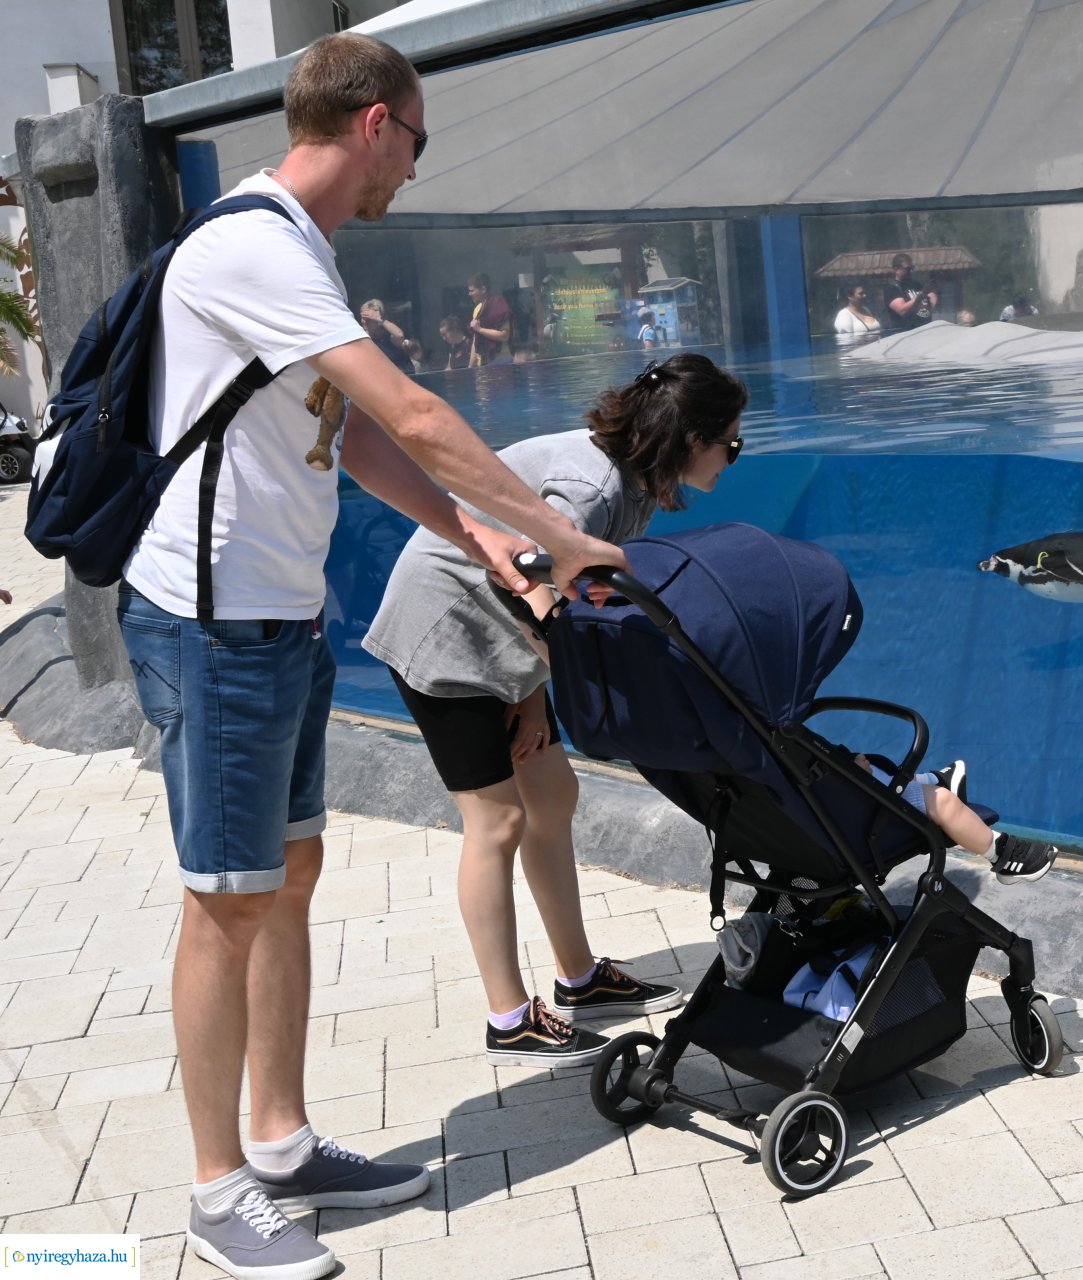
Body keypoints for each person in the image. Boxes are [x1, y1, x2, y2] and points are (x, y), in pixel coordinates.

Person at [113, 33, 631, 1280]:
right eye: (418, 141)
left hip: (278, 618)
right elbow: (412, 413)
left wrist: (488, 536)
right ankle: (214, 1187)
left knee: (287, 876)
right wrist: (563, 534)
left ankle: (281, 1143)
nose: (413, 167)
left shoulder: (300, 253)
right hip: (212, 619)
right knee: (226, 899)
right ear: (378, 124)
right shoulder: (251, 243)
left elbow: (357, 445)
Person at [365, 354, 745, 1068]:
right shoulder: (593, 484)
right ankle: (509, 1018)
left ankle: (578, 980)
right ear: (692, 437)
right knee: (498, 819)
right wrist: (540, 678)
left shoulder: (627, 481)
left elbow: (546, 597)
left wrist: (531, 694)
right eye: (731, 439)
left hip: (495, 648)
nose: (734, 454)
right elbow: (529, 583)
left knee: (553, 793)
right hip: (442, 638)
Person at [852, 756, 1058, 884]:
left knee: (861, 763)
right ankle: (1001, 854)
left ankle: (932, 779)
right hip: (866, 816)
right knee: (942, 802)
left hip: (833, 826)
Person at [358, 298, 418, 372]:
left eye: (369, 319)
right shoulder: (362, 340)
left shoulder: (388, 336)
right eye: (363, 318)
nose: (364, 322)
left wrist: (380, 320)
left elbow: (399, 335)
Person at [466, 272, 512, 364]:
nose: (469, 294)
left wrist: (479, 329)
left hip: (501, 361)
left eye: (472, 291)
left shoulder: (498, 305)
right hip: (484, 362)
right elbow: (476, 340)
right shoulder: (477, 310)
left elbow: (504, 336)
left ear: (483, 289)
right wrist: (470, 366)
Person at [883, 253, 937, 330]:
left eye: (912, 268)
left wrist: (932, 294)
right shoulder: (892, 288)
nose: (911, 271)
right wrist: (920, 296)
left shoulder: (916, 285)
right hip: (903, 333)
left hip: (924, 330)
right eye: (907, 269)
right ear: (896, 269)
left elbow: (930, 300)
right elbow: (902, 310)